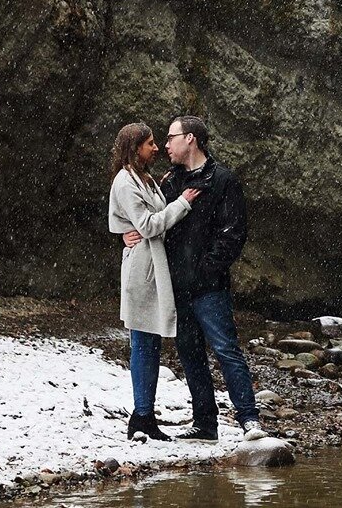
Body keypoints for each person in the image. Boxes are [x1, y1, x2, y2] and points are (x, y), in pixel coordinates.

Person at [125, 115, 265, 442]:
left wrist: (205, 270)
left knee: (226, 349)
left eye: (171, 138)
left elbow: (233, 235)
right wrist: (126, 233)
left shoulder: (224, 181)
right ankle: (205, 424)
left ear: (190, 139)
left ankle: (249, 419)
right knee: (190, 355)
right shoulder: (169, 182)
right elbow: (152, 221)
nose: (165, 145)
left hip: (209, 286)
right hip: (176, 286)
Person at [106, 122, 201, 442]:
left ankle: (145, 415)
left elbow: (148, 224)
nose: (157, 147)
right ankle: (141, 416)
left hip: (152, 266)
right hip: (142, 271)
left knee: (151, 343)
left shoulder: (145, 179)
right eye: (149, 144)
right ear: (135, 149)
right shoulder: (125, 181)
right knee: (144, 345)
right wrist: (183, 203)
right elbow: (147, 226)